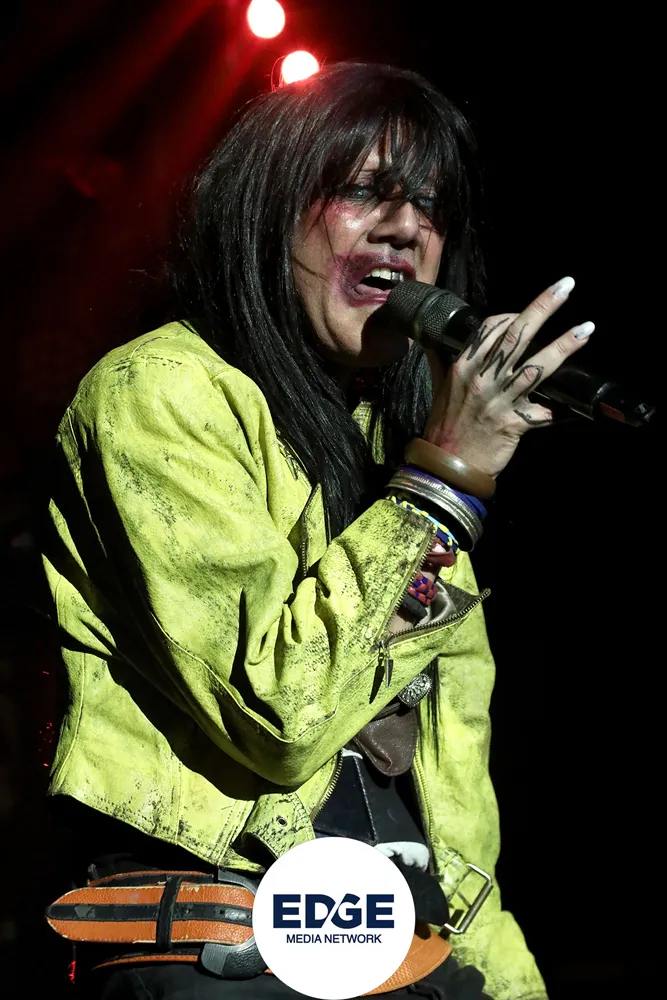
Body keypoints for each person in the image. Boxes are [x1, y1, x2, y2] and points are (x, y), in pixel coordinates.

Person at [41, 62, 593, 999]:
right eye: (362, 191)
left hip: (403, 957)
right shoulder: (160, 393)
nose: (406, 227)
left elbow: (453, 803)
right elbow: (279, 716)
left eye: (429, 205)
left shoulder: (396, 455)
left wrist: (507, 984)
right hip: (227, 954)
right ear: (267, 213)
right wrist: (444, 478)